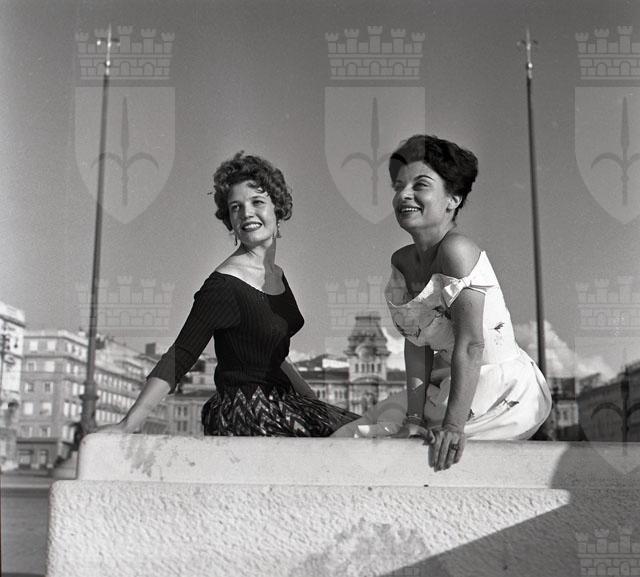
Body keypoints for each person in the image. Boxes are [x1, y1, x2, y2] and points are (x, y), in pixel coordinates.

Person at [332, 135, 552, 470]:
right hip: (445, 383)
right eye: (398, 186)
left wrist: (453, 426)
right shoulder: (402, 261)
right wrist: (414, 417)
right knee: (349, 440)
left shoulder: (457, 250)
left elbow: (471, 344)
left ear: (453, 198)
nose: (404, 195)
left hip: (497, 390)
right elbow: (417, 344)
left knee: (397, 454)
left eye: (420, 185)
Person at [99, 152, 358, 436]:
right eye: (236, 207)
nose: (246, 213)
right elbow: (181, 354)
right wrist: (128, 424)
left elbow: (274, 354)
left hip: (281, 402)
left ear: (278, 208)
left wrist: (315, 404)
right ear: (230, 220)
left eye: (257, 202)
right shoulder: (223, 285)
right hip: (247, 410)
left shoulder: (277, 275)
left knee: (370, 430)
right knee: (358, 436)